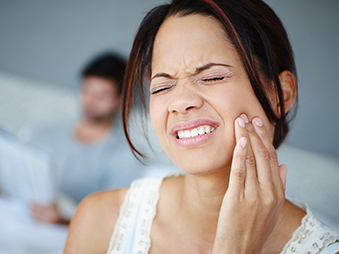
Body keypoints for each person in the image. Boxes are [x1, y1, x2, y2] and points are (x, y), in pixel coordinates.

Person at [64, 0, 339, 253]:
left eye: (213, 77)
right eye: (163, 86)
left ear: (281, 95)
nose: (180, 102)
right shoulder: (100, 220)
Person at [29, 53, 145, 224]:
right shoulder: (46, 134)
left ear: (119, 100)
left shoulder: (123, 156)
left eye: (102, 95)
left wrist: (62, 221)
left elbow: (113, 216)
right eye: (87, 90)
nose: (91, 100)